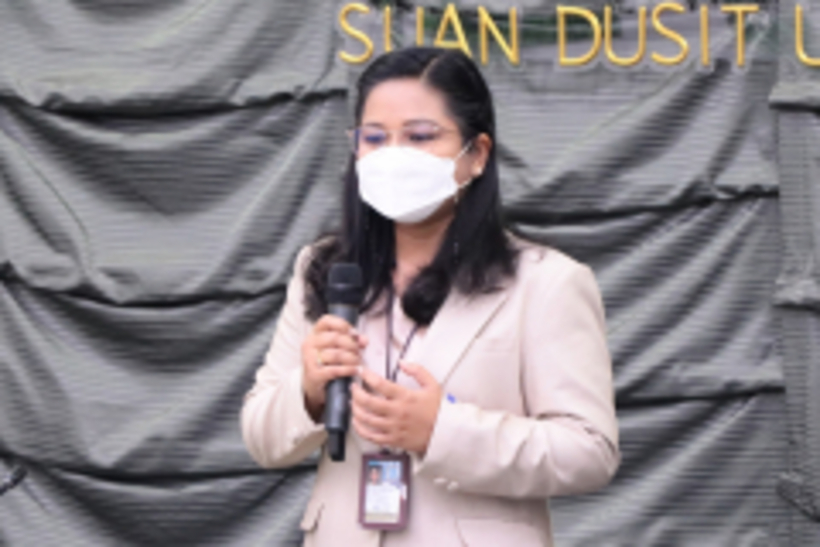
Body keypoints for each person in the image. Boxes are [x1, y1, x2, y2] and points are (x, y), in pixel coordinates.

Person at [241, 46, 619, 547]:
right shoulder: (327, 270)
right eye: (375, 138)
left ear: (476, 155)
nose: (394, 155)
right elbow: (262, 438)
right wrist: (309, 390)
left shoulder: (547, 281)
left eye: (420, 136)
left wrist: (443, 431)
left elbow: (589, 452)